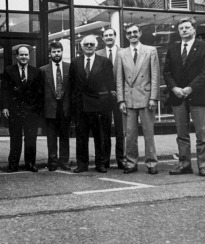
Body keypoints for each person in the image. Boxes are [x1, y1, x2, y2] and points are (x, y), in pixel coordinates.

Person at [163, 17, 205, 177]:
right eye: (181, 28)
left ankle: (203, 165)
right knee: (182, 134)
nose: (184, 30)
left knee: (202, 134)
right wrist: (174, 88)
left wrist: (190, 88)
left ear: (194, 30)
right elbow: (167, 72)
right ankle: (184, 164)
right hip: (178, 97)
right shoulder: (172, 49)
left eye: (187, 27)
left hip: (198, 96)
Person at [115, 24, 160, 175]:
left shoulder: (151, 50)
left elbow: (155, 76)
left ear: (140, 33)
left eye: (135, 32)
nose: (132, 35)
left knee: (149, 133)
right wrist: (121, 100)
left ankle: (151, 162)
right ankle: (131, 162)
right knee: (130, 134)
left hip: (147, 98)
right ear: (126, 36)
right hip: (129, 99)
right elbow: (119, 79)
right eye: (129, 33)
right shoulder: (121, 53)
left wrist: (154, 97)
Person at [69, 35, 115, 173]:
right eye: (86, 44)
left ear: (96, 46)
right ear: (82, 47)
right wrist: (73, 106)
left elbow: (110, 83)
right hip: (81, 105)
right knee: (81, 136)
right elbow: (72, 85)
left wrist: (106, 102)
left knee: (99, 136)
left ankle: (100, 164)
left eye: (91, 44)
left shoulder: (105, 61)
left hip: (99, 105)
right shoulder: (75, 62)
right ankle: (82, 164)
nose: (89, 46)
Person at [1, 45, 43, 173]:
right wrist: (5, 107)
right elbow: (5, 91)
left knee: (31, 138)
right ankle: (13, 164)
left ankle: (30, 164)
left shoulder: (36, 72)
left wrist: (37, 109)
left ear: (29, 56)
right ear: (17, 56)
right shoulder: (8, 71)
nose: (24, 57)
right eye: (21, 55)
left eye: (26, 55)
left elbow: (40, 93)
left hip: (31, 111)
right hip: (15, 110)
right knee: (15, 138)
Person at [96, 28, 126, 169]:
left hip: (121, 97)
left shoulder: (124, 52)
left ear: (115, 36)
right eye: (106, 36)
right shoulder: (97, 54)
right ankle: (105, 160)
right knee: (105, 130)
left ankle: (121, 158)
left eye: (111, 35)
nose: (108, 37)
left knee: (120, 129)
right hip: (104, 97)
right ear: (102, 38)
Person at [40, 42, 71, 171]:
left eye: (58, 51)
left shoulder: (69, 68)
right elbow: (40, 91)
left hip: (65, 107)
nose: (56, 54)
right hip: (50, 108)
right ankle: (52, 161)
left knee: (65, 136)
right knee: (51, 136)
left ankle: (64, 161)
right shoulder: (43, 70)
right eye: (54, 52)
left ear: (62, 52)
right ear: (50, 54)